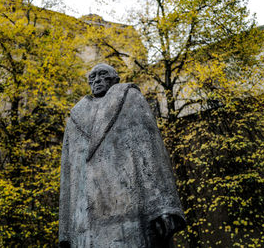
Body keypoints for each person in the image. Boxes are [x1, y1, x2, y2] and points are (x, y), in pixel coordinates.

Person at [59, 63, 185, 248]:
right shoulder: (75, 117)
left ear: (115, 79)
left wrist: (163, 206)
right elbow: (67, 175)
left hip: (130, 207)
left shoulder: (130, 97)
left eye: (103, 75)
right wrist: (65, 232)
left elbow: (149, 149)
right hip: (85, 220)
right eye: (92, 77)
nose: (97, 80)